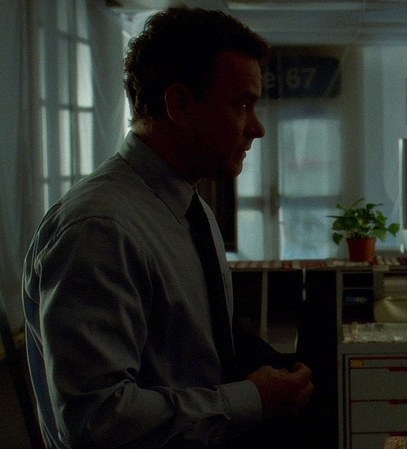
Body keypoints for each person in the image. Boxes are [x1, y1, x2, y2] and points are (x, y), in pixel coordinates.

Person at [21, 7, 314, 448]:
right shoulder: (100, 229)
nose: (257, 128)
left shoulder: (192, 209)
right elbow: (96, 422)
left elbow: (195, 345)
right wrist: (251, 399)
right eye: (241, 105)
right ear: (180, 105)